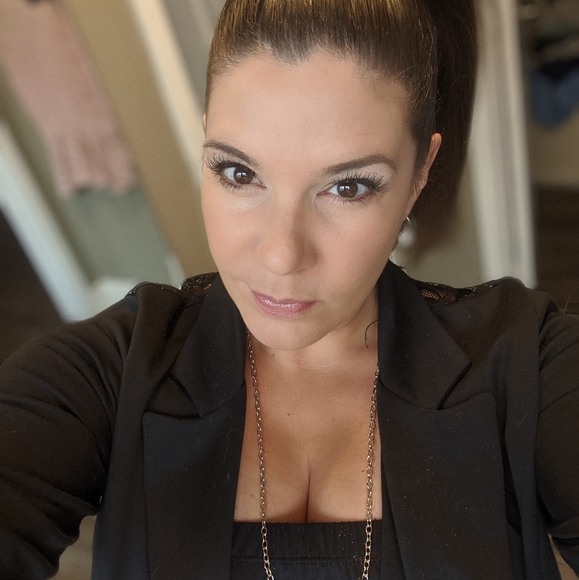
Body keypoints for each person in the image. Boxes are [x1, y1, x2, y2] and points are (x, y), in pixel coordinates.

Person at [0, 0, 578, 579]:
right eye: (239, 173)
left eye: (348, 187)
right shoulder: (113, 372)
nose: (281, 255)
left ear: (420, 171)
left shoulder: (528, 364)